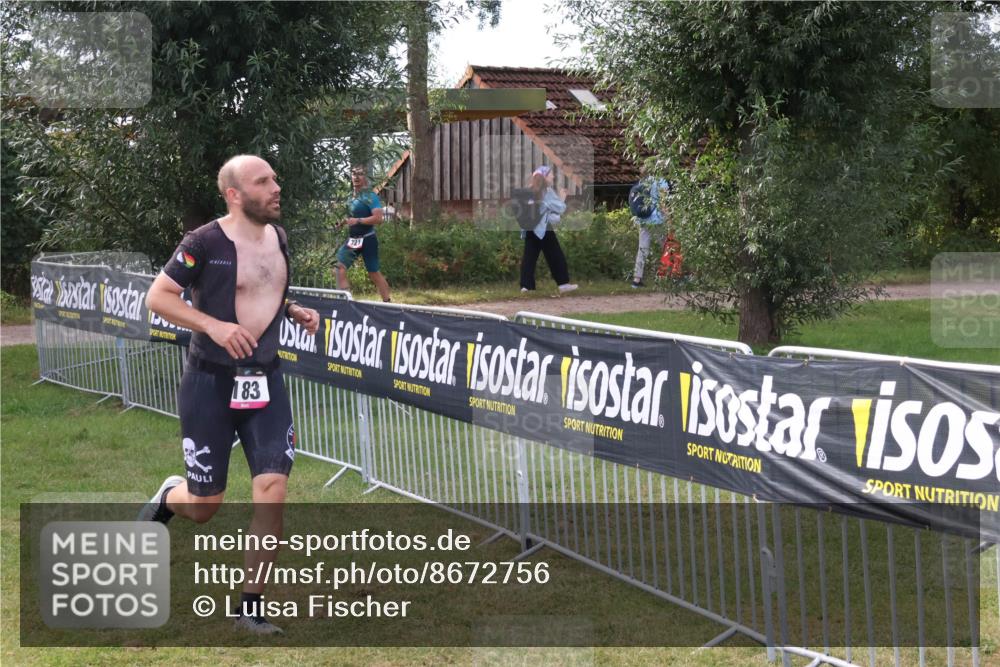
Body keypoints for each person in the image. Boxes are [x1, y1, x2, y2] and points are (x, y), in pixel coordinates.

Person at [140, 154, 320, 635]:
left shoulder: (279, 237)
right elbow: (158, 297)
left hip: (266, 379)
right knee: (204, 506)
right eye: (264, 182)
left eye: (275, 178)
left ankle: (250, 606)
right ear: (235, 195)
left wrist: (293, 309)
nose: (276, 187)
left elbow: (264, 290)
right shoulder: (203, 242)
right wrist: (214, 326)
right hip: (209, 382)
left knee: (272, 489)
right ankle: (168, 495)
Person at [334, 165, 391, 302]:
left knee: (373, 273)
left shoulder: (370, 196)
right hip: (353, 240)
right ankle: (346, 302)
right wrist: (341, 223)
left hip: (368, 239)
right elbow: (350, 218)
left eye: (360, 174)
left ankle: (387, 303)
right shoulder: (350, 198)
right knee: (338, 267)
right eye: (354, 174)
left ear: (365, 178)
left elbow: (378, 219)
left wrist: (358, 220)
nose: (356, 177)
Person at [520, 165, 577, 293]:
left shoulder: (529, 191)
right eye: (551, 174)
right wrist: (563, 197)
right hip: (544, 228)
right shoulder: (547, 191)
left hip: (530, 229)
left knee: (529, 258)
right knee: (556, 255)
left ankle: (526, 286)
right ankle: (563, 284)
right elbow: (560, 208)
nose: (553, 176)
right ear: (545, 177)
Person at [629, 169, 672, 288]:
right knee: (668, 247)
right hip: (657, 220)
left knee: (642, 249)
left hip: (643, 221)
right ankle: (672, 276)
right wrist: (669, 219)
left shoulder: (643, 182)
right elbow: (663, 203)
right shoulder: (661, 182)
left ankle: (636, 280)